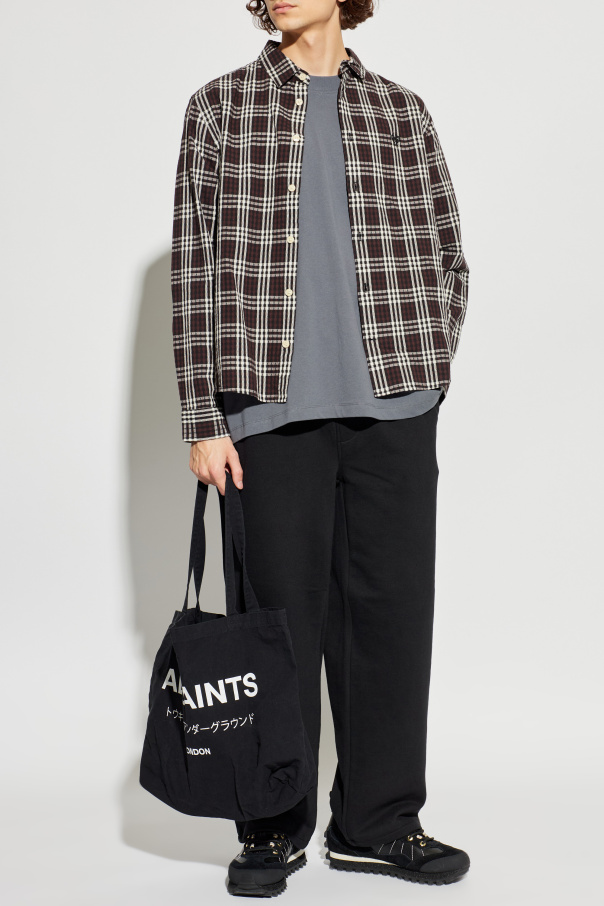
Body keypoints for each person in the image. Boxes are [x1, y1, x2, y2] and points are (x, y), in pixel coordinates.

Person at [171, 0, 471, 897]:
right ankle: (272, 825)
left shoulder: (402, 111)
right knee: (276, 626)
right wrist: (202, 417)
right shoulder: (220, 107)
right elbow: (194, 264)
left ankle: (379, 824)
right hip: (267, 411)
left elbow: (449, 252)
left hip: (395, 409)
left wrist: (429, 370)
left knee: (391, 621)